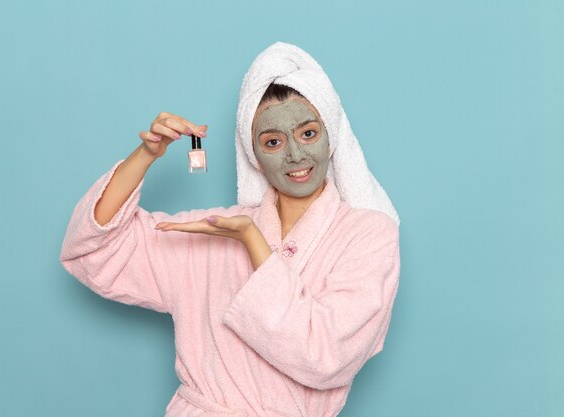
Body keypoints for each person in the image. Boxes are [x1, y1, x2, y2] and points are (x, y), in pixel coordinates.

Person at [60, 41, 401, 417]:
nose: (295, 156)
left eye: (308, 134)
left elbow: (326, 357)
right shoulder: (216, 229)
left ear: (331, 136)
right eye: (273, 141)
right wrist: (145, 156)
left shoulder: (369, 233)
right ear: (253, 153)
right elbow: (95, 250)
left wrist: (252, 241)